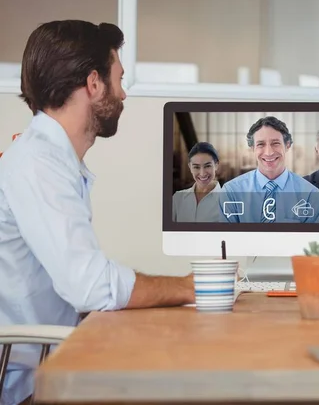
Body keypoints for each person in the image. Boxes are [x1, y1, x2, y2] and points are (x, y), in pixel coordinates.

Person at [0, 20, 194, 405]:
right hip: (30, 381)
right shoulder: (37, 163)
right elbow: (89, 285)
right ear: (93, 83)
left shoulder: (47, 158)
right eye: (118, 79)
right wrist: (189, 287)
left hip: (51, 360)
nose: (123, 94)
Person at [219, 116, 319, 223]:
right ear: (252, 149)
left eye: (275, 143)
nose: (269, 152)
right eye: (261, 144)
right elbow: (229, 238)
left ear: (287, 145)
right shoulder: (231, 191)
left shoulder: (310, 194)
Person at [172, 142, 222, 222]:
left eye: (207, 166)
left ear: (216, 165)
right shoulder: (178, 198)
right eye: (196, 167)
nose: (202, 173)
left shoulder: (227, 200)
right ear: (190, 167)